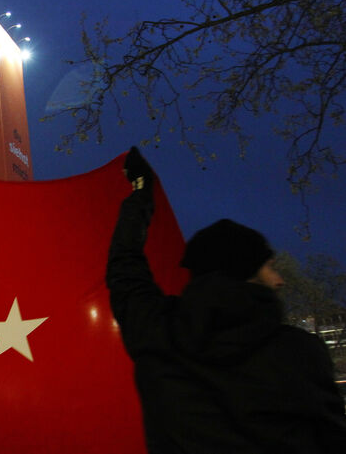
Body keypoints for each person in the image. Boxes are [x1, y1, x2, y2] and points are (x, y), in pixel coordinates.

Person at [106, 147, 346, 453]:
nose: (280, 279)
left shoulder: (156, 332)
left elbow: (124, 265)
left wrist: (141, 190)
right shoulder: (299, 351)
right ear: (245, 270)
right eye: (270, 266)